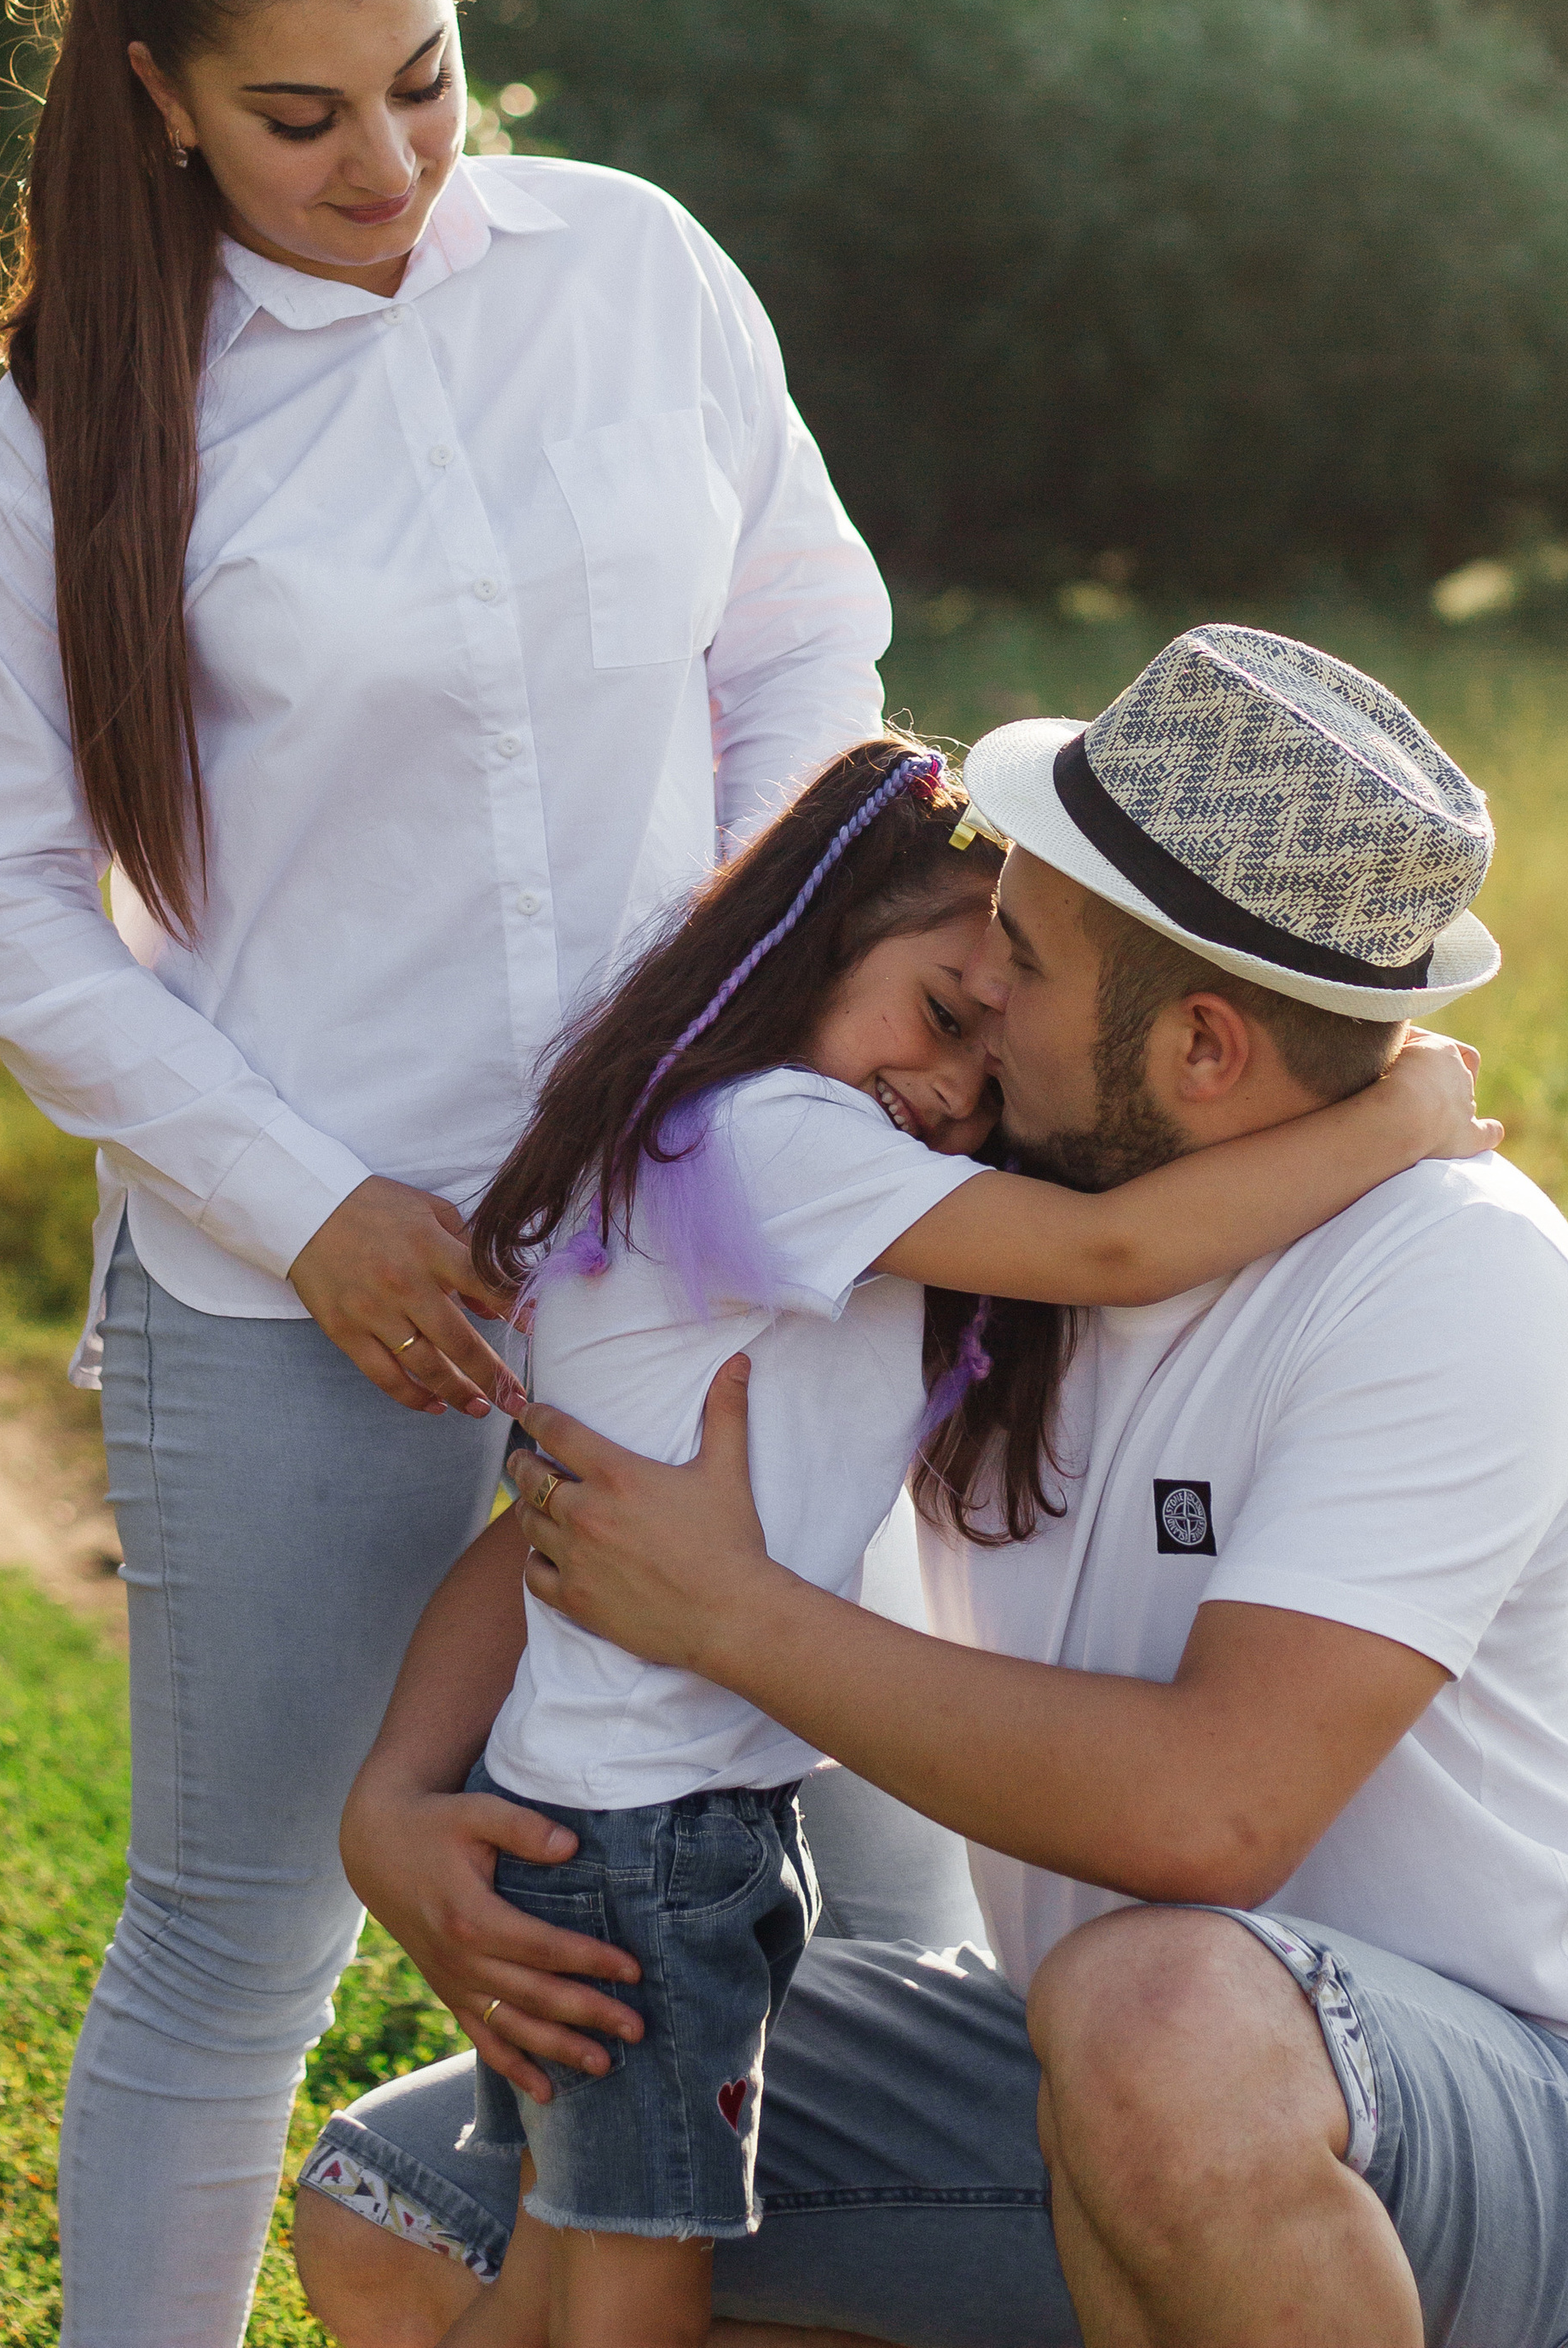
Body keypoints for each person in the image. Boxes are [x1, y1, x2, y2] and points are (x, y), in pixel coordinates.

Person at [0, 0, 910, 2348]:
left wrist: (743, 981)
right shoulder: (57, 462)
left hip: (700, 1240)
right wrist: (301, 1203)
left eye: (431, 76)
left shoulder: (638, 274)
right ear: (158, 99)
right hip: (310, 1284)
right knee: (236, 1932)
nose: (390, 162)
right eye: (302, 115)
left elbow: (802, 633)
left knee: (882, 1865)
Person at [295, 627, 1568, 2348]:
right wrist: (392, 1797)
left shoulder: (1443, 1270)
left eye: (1025, 968)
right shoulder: (976, 1225)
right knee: (404, 2220)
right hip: (1102, 2076)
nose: (981, 990)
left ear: (1200, 1050)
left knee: (1155, 2017)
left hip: (1531, 2134)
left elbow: (1207, 1822)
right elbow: (627, 1493)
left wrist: (735, 1623)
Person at [437, 731, 1493, 2348]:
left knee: (559, 2257)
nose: (950, 1093)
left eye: (989, 1070)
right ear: (810, 935)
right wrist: (1406, 1107)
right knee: (638, 2275)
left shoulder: (781, 1163)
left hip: (650, 1806)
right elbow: (1122, 1245)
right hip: (652, 1829)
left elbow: (574, 1508)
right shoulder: (772, 1142)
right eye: (946, 1009)